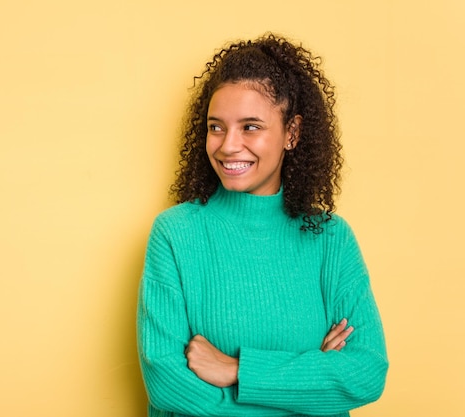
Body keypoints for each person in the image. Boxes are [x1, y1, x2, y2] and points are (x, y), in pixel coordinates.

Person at [136, 33, 388, 417]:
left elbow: (366, 373)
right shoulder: (176, 234)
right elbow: (167, 385)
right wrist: (306, 383)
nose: (228, 145)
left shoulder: (331, 238)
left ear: (292, 133)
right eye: (216, 127)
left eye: (250, 126)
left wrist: (237, 370)